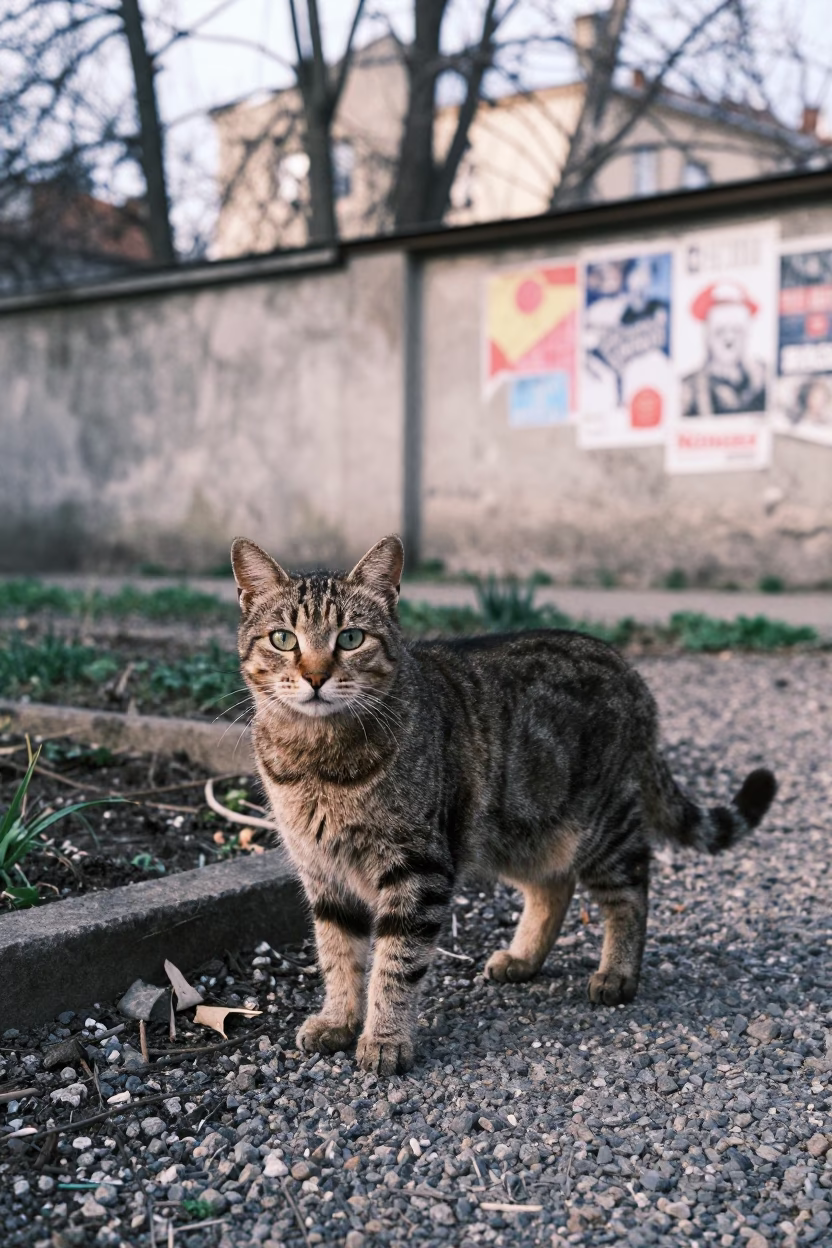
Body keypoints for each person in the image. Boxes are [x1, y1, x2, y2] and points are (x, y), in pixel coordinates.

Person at [682, 281, 766, 416]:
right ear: (707, 336)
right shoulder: (689, 387)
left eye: (737, 331)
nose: (729, 339)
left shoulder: (763, 378)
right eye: (720, 331)